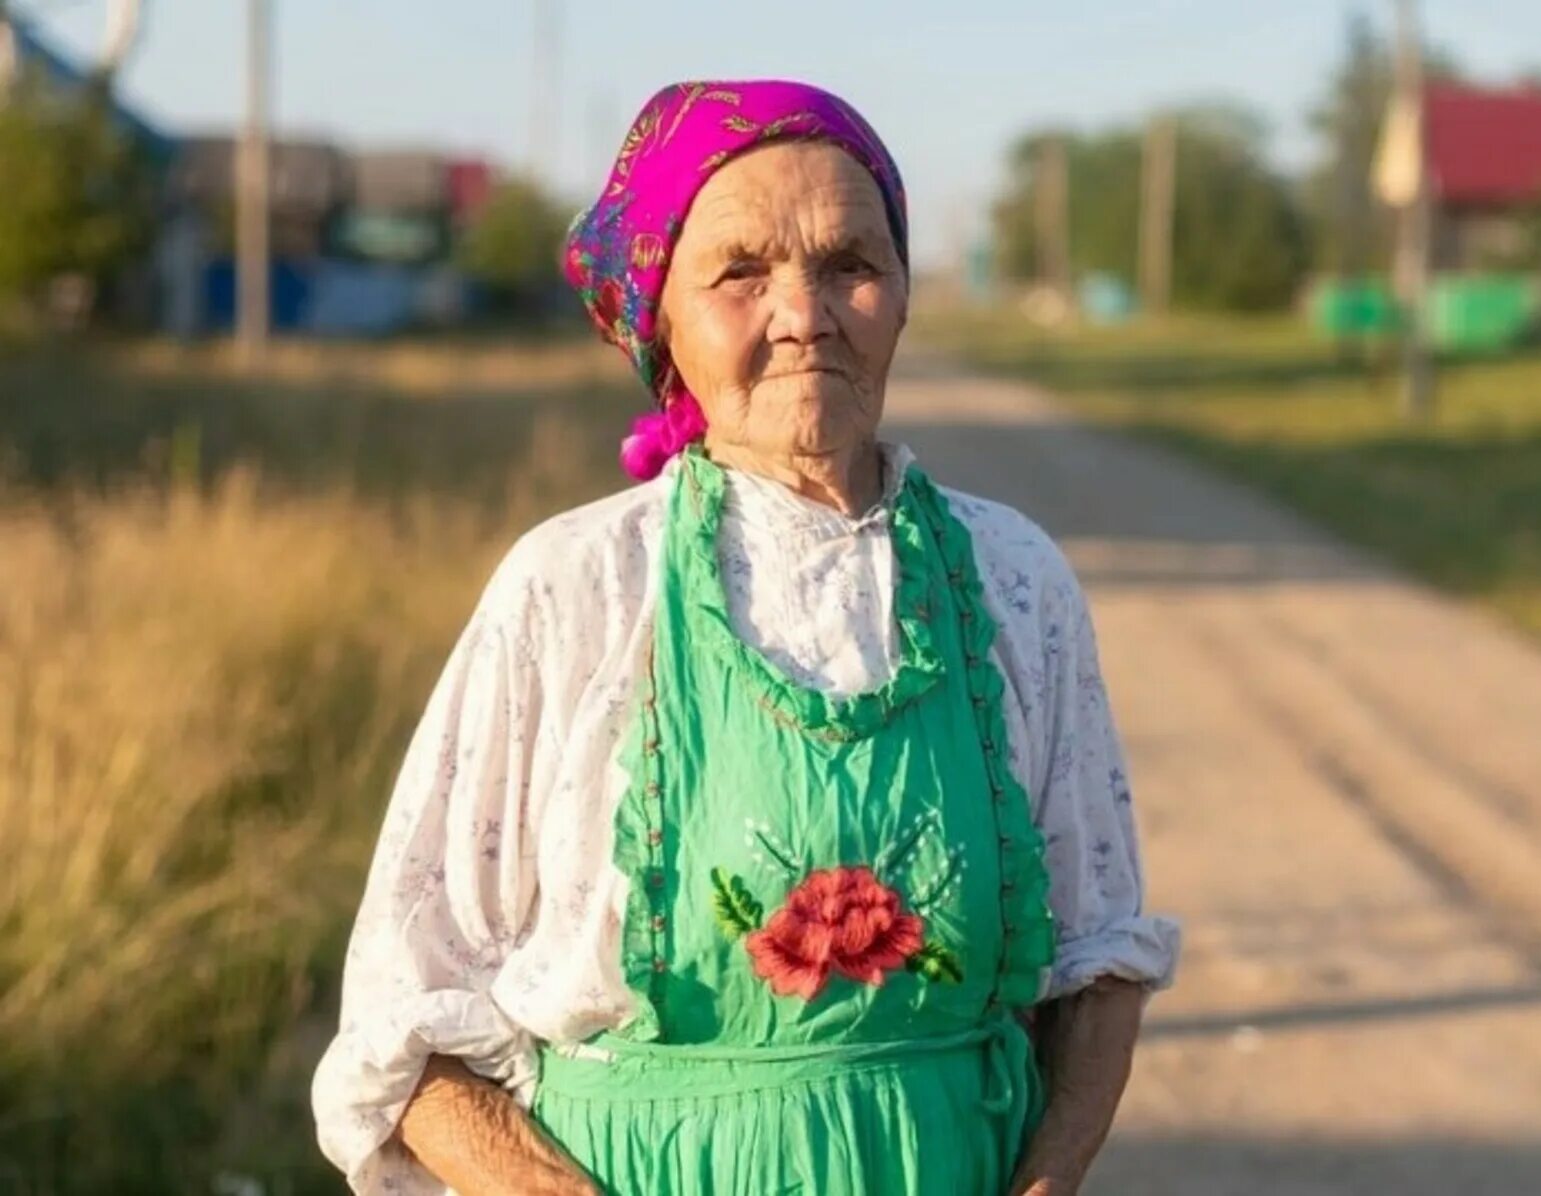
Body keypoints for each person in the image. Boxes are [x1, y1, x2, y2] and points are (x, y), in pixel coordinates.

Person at [311, 79, 1180, 1195]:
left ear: (905, 295)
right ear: (660, 320)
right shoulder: (573, 586)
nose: (803, 312)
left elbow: (1096, 959)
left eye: (849, 263)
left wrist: (1046, 1178)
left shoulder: (1016, 581)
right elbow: (403, 1015)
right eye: (739, 273)